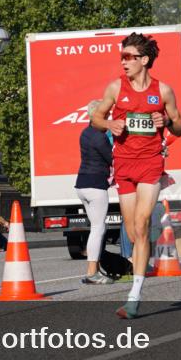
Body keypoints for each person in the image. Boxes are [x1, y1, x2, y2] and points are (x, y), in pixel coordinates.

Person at [91, 32, 181, 319]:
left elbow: (179, 127)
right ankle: (143, 257)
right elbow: (95, 118)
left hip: (150, 163)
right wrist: (109, 123)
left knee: (142, 224)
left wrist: (166, 121)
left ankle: (134, 296)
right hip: (124, 166)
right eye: (121, 57)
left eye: (129, 57)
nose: (123, 62)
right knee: (132, 231)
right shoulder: (116, 88)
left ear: (144, 60)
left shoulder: (163, 91)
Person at [75, 100, 116, 284]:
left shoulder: (86, 133)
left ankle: (96, 269)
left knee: (97, 228)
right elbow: (112, 158)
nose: (107, 118)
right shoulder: (100, 137)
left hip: (82, 184)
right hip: (95, 185)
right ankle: (92, 273)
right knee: (98, 229)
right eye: (105, 115)